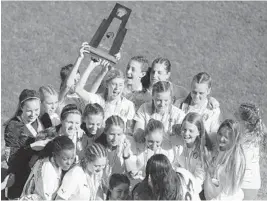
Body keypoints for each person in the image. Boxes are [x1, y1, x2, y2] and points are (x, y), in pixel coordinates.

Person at [4, 89, 44, 199]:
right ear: (22, 108)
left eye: (36, 110)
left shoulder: (39, 121)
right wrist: (32, 148)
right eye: (29, 110)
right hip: (18, 176)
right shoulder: (13, 126)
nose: (33, 114)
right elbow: (11, 159)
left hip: (35, 176)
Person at [75, 60, 135, 127]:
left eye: (120, 85)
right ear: (107, 85)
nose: (117, 88)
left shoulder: (129, 105)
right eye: (114, 84)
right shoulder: (98, 100)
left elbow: (129, 130)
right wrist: (92, 65)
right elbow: (78, 90)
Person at [20, 136, 75, 200]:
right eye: (65, 159)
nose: (69, 162)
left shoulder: (55, 161)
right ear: (54, 155)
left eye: (72, 158)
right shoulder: (47, 173)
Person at [203, 119, 246, 200]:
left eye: (226, 137)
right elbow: (216, 182)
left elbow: (229, 193)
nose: (221, 139)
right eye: (220, 134)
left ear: (234, 139)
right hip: (210, 196)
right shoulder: (219, 146)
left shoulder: (236, 160)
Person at [125, 119, 176, 185]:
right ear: (145, 137)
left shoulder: (167, 151)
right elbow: (132, 164)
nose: (154, 146)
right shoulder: (138, 145)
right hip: (138, 183)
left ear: (162, 138)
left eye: (157, 142)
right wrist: (133, 171)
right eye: (150, 141)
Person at [132, 154, 200, 200]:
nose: (149, 178)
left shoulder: (171, 189)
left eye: (153, 175)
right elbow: (198, 188)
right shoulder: (183, 172)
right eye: (148, 173)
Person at [177, 72, 221, 141]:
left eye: (201, 93)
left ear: (208, 91)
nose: (196, 96)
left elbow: (214, 135)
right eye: (194, 92)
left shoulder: (213, 110)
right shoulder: (180, 104)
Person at [235, 103, 266, 200]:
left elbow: (237, 164)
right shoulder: (253, 135)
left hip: (245, 185)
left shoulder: (246, 142)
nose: (234, 115)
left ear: (245, 123)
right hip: (251, 184)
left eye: (237, 116)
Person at [172, 112, 211, 189]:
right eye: (184, 129)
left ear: (198, 132)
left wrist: (186, 188)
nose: (186, 133)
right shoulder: (178, 143)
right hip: (179, 182)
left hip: (194, 188)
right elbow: (174, 163)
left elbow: (199, 178)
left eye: (191, 131)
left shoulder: (202, 150)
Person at [57, 42, 91, 114]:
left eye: (78, 79)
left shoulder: (79, 96)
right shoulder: (61, 97)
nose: (77, 83)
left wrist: (93, 63)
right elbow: (68, 85)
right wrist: (80, 58)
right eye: (74, 80)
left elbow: (90, 90)